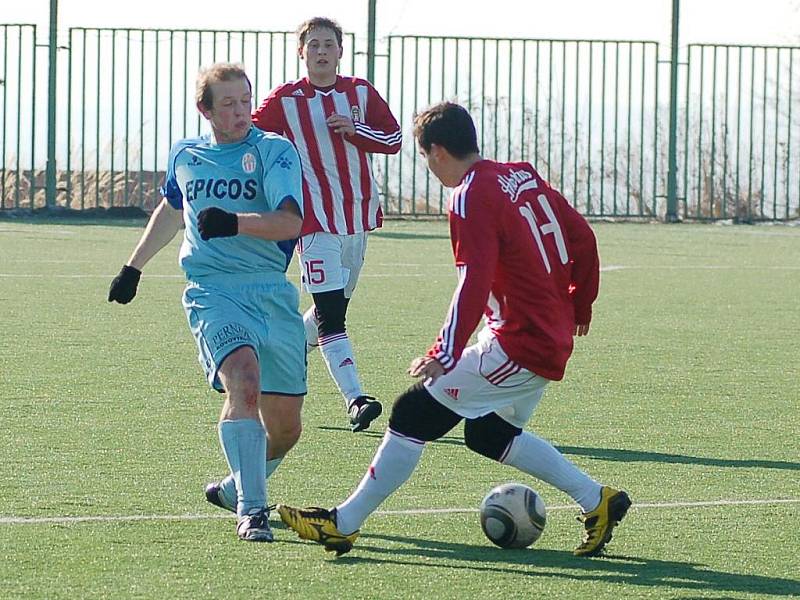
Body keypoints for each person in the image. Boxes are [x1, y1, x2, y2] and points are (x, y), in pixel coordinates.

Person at [276, 101, 631, 557]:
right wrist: (580, 304)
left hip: (520, 342)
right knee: (486, 434)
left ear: (437, 151)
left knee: (411, 414)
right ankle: (597, 500)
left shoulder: (468, 194)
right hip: (546, 331)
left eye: (424, 157)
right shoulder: (519, 173)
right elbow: (582, 235)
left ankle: (343, 523)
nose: (428, 166)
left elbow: (474, 279)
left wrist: (444, 352)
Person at [108, 62, 306, 543]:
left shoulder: (275, 152)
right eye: (229, 104)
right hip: (212, 290)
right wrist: (134, 267)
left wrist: (236, 222)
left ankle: (236, 484)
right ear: (205, 110)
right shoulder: (186, 154)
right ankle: (252, 510)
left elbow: (290, 224)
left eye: (245, 101)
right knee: (243, 378)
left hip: (271, 290)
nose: (241, 112)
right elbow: (173, 209)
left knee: (286, 429)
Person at [252, 17, 402, 433]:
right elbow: (249, 140)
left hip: (356, 217)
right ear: (302, 52)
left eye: (328, 44)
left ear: (340, 51)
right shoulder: (285, 99)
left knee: (328, 309)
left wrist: (357, 132)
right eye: (313, 44)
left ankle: (283, 351)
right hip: (314, 222)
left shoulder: (359, 92)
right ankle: (356, 399)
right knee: (333, 316)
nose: (321, 51)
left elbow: (394, 139)